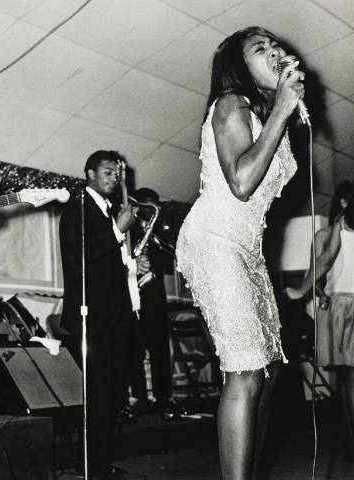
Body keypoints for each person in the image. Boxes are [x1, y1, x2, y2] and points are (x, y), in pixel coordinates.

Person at [175, 26, 305, 479]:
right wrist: (283, 111)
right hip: (214, 239)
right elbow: (242, 182)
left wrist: (284, 111)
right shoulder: (231, 104)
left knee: (271, 374)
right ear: (238, 66)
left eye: (275, 45)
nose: (274, 52)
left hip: (247, 247)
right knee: (246, 370)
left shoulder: (270, 114)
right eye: (260, 48)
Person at [59, 150, 137, 479]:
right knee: (96, 398)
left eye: (117, 173)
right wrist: (118, 231)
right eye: (108, 172)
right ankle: (89, 466)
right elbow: (79, 254)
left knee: (111, 398)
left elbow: (104, 264)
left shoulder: (106, 211)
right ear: (90, 173)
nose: (114, 178)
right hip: (91, 317)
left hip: (113, 319)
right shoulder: (77, 207)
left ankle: (100, 465)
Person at [285, 180, 354, 461]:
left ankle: (352, 444)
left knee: (350, 379)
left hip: (346, 304)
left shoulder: (343, 222)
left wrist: (301, 289)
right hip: (342, 302)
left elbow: (325, 259)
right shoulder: (336, 224)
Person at [128, 188, 172, 415]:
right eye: (149, 205)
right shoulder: (128, 231)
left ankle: (163, 398)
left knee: (160, 350)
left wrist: (153, 251)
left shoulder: (159, 232)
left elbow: (167, 264)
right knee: (135, 350)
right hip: (134, 298)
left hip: (155, 297)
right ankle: (140, 398)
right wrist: (136, 261)